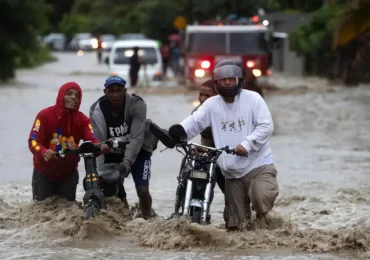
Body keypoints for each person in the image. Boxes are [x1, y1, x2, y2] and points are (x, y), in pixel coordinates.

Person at [178, 60, 279, 230]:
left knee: (260, 197)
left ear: (239, 80)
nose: (227, 82)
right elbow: (194, 123)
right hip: (231, 173)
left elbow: (266, 126)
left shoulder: (253, 99)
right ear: (217, 82)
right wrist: (177, 133)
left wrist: (247, 144)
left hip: (258, 165)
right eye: (223, 79)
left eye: (231, 79)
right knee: (235, 227)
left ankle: (270, 225)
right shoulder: (211, 104)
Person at [28, 82, 110, 201]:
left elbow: (91, 139)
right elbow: (33, 141)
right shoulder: (44, 115)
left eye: (77, 96)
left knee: (68, 212)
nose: (73, 97)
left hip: (68, 175)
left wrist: (101, 147)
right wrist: (43, 151)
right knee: (41, 212)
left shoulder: (83, 120)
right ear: (61, 96)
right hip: (43, 173)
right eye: (69, 94)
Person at [89, 76, 158, 218]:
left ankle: (147, 219)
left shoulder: (137, 105)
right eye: (111, 91)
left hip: (140, 150)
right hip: (113, 151)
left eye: (119, 90)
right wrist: (100, 173)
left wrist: (126, 164)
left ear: (125, 91)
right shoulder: (96, 110)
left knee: (143, 190)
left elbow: (136, 138)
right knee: (110, 188)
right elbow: (99, 143)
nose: (115, 95)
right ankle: (124, 220)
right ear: (105, 92)